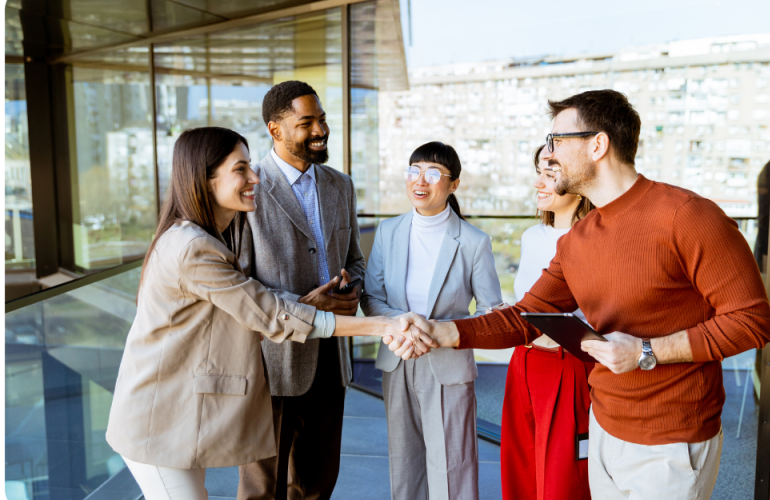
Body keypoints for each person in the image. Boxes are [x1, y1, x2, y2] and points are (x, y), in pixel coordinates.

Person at [386, 90, 770, 500]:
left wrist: (648, 351)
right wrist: (440, 330)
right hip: (603, 428)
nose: (548, 154)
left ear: (598, 144)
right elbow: (524, 317)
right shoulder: (578, 240)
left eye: (557, 141)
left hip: (671, 441)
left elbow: (752, 323)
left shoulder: (689, 216)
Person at [106, 127, 430, 500]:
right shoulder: (193, 248)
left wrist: (313, 305)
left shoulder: (199, 239)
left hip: (175, 419)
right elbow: (267, 311)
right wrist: (383, 324)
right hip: (157, 422)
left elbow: (254, 306)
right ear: (205, 180)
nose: (255, 177)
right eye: (240, 169)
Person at [235, 81, 362, 500]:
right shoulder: (248, 190)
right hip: (272, 359)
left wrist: (351, 288)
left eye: (321, 119)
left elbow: (355, 259)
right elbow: (241, 284)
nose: (320, 129)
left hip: (332, 356)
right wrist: (308, 305)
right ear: (276, 130)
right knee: (263, 488)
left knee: (317, 481)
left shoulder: (340, 185)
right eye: (306, 122)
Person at [361, 142, 503, 500]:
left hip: (448, 363)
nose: (420, 181)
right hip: (397, 358)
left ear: (453, 184)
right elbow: (371, 297)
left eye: (433, 173)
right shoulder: (389, 230)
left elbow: (491, 312)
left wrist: (444, 334)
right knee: (404, 462)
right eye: (414, 170)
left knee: (452, 464)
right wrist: (402, 326)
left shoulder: (473, 241)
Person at [500, 144, 596, 500]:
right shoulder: (531, 237)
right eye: (538, 172)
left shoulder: (593, 242)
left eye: (551, 174)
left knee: (563, 479)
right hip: (522, 362)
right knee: (520, 470)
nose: (539, 183)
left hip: (568, 366)